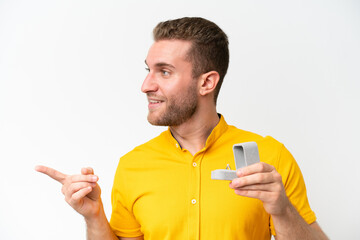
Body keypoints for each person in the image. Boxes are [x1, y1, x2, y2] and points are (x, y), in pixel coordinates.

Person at [36, 17, 328, 240]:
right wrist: (94, 217)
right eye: (148, 70)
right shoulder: (132, 166)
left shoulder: (270, 158)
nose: (146, 85)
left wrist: (282, 209)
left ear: (206, 82)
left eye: (164, 71)